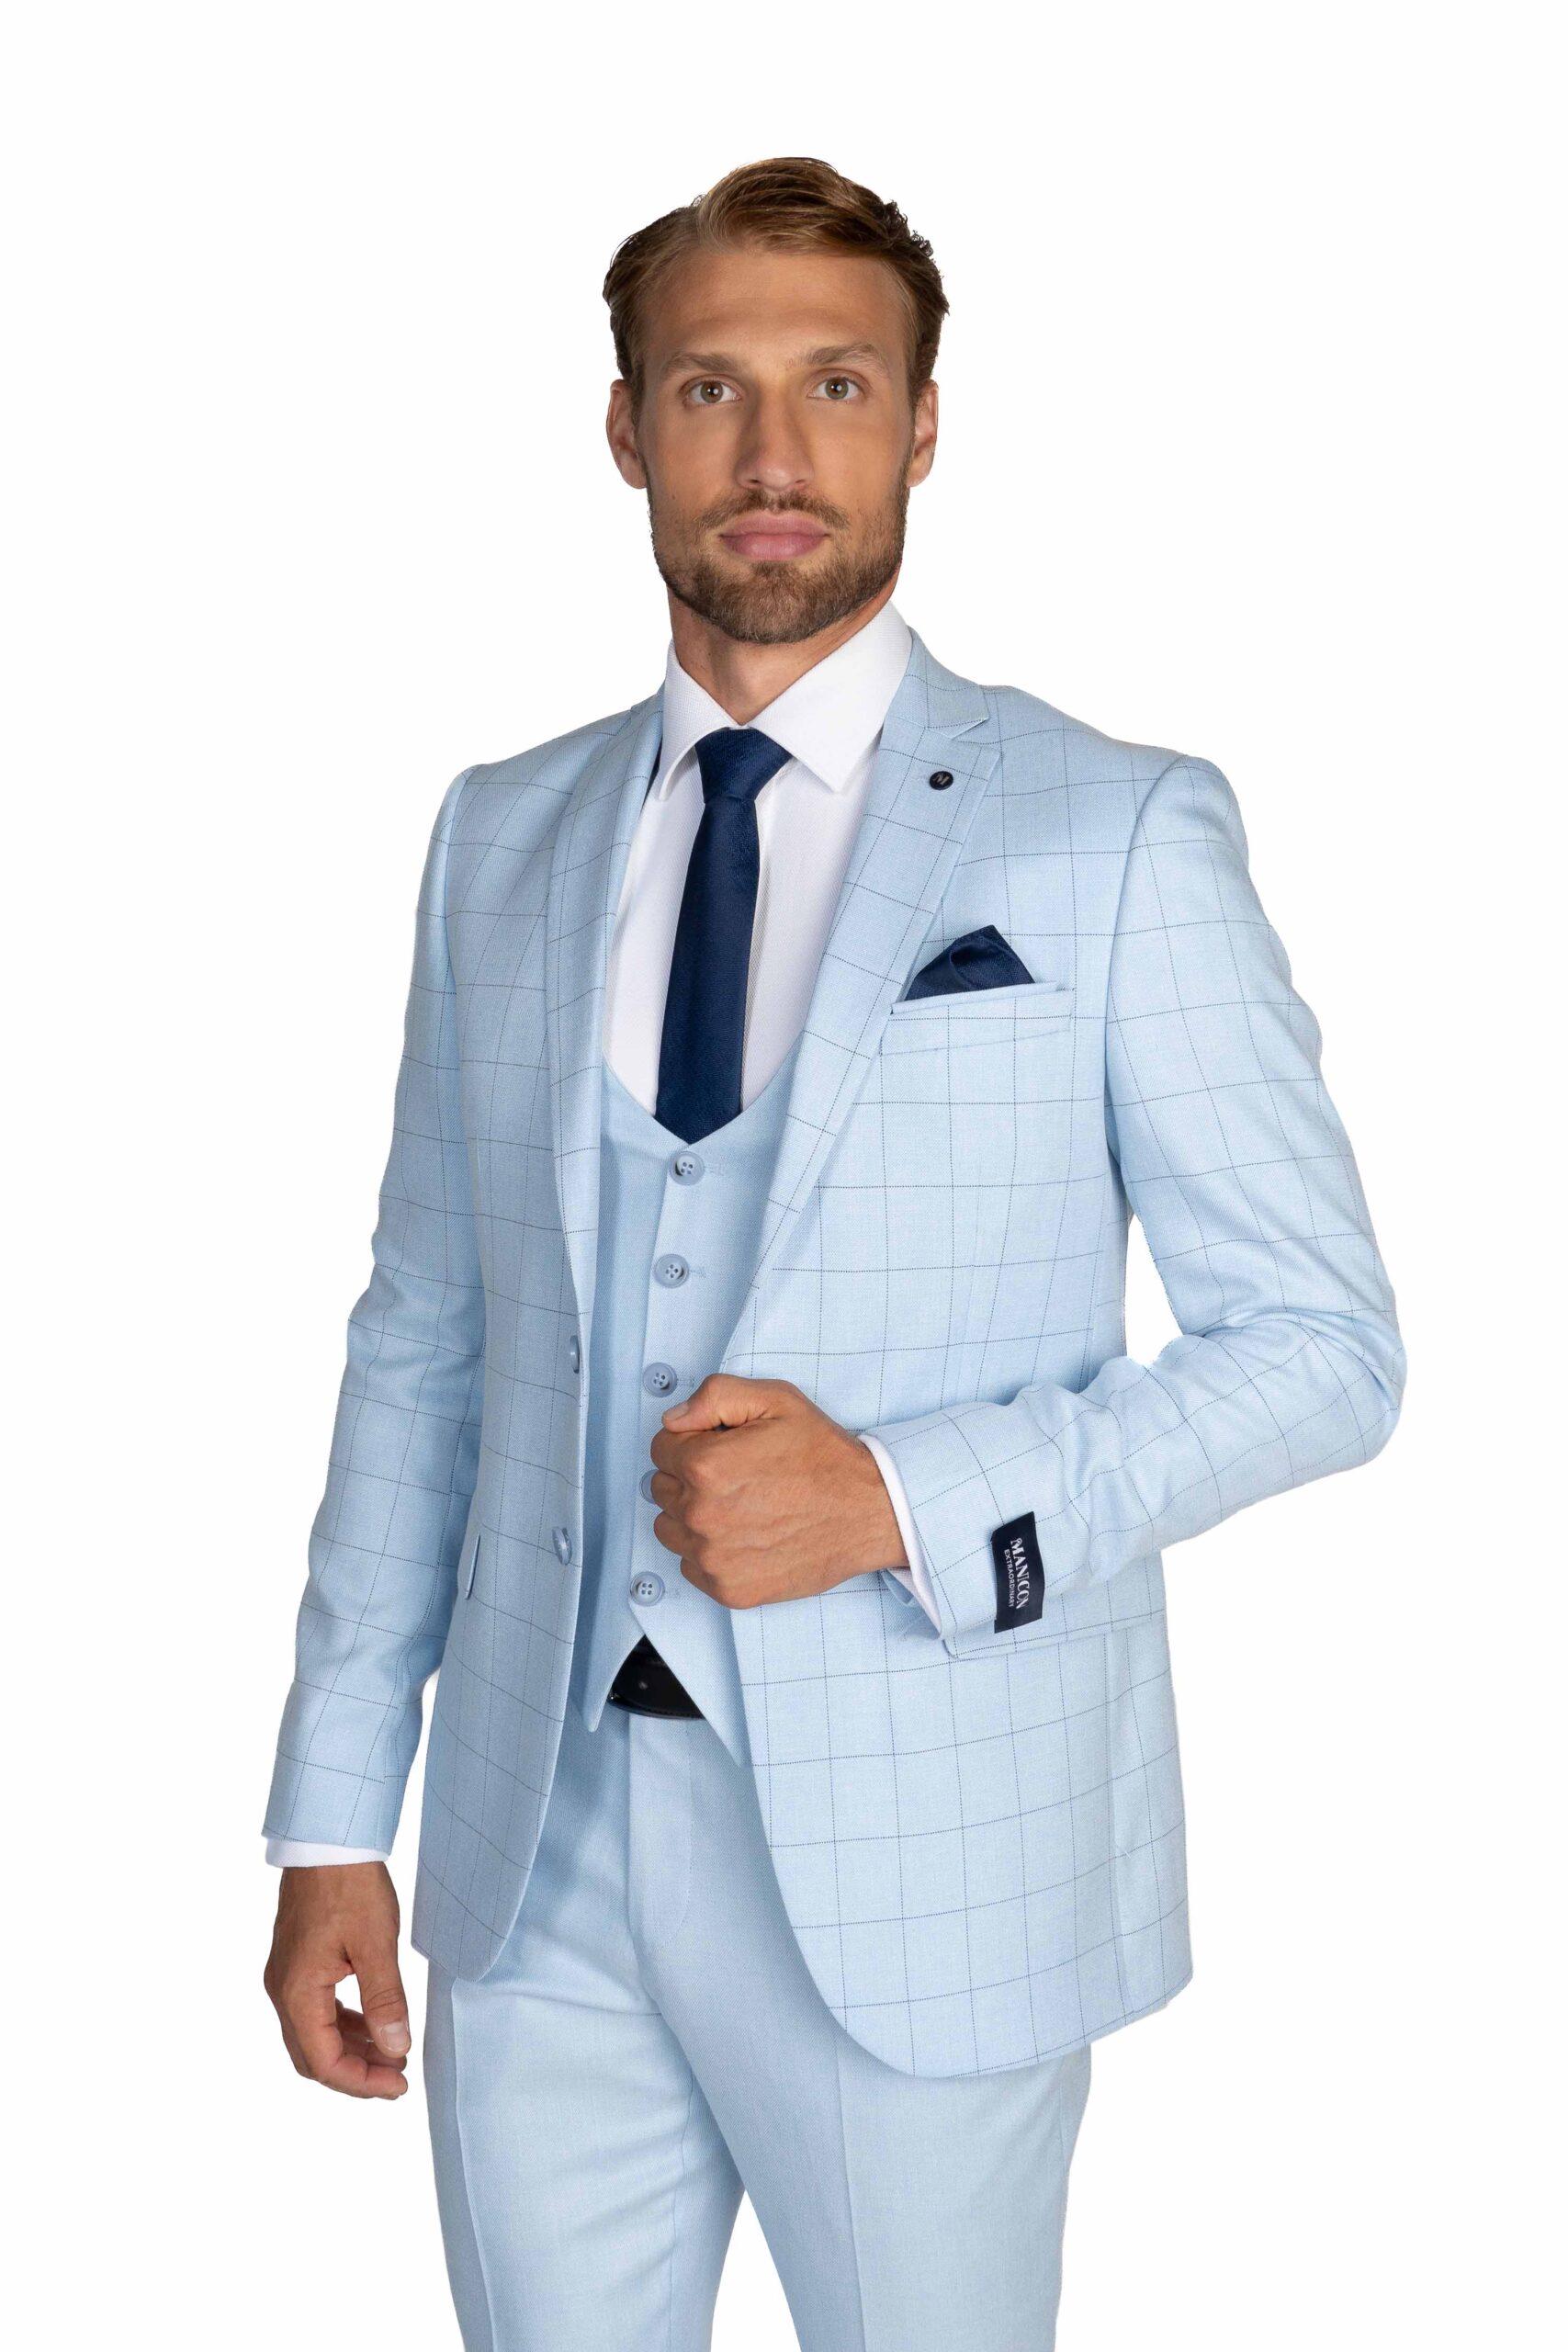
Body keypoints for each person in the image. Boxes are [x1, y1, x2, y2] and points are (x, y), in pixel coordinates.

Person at [262, 154, 1404, 2351]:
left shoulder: (1111, 827)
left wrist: (895, 1494)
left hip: (930, 1856)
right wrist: (332, 1805)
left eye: (837, 384)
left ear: (923, 423)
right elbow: (423, 1342)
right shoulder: (499, 831)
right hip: (530, 1842)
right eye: (711, 387)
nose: (773, 452)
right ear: (627, 427)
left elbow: (1318, 1344)